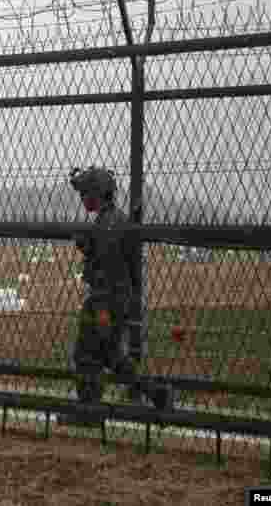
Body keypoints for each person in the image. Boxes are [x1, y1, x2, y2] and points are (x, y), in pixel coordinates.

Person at [58, 166, 172, 426]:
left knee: (86, 354)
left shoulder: (108, 224)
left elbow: (107, 270)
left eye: (85, 193)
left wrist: (100, 308)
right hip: (115, 300)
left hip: (105, 300)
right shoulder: (113, 219)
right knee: (110, 355)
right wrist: (89, 246)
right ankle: (156, 393)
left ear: (97, 193)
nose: (82, 198)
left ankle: (89, 411)